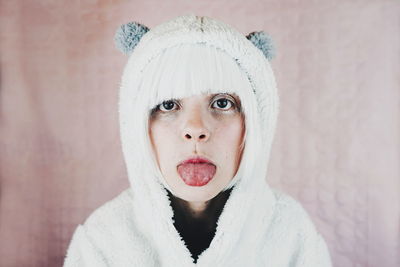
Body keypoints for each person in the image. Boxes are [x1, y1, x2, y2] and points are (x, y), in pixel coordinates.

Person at [63, 14, 332, 266]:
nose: (195, 129)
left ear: (255, 119)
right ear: (138, 125)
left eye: (223, 103)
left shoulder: (292, 234)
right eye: (168, 105)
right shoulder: (102, 239)